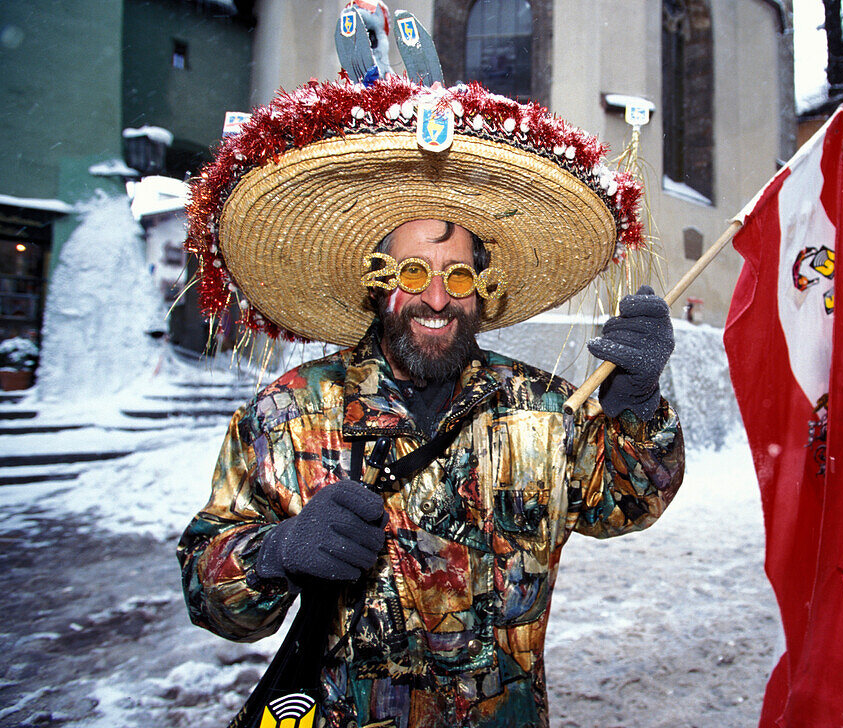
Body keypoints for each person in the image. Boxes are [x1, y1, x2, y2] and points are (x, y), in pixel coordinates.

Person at [176, 76, 684, 728]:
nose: (438, 299)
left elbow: (633, 503)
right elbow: (208, 594)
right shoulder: (288, 416)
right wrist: (276, 553)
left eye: (459, 276)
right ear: (378, 285)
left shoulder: (543, 410)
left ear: (482, 291)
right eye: (413, 273)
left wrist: (638, 403)